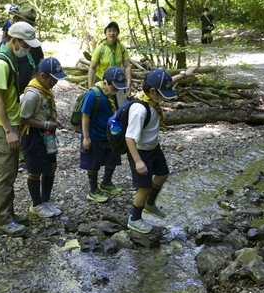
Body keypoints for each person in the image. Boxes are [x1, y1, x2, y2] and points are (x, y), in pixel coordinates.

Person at [0, 22, 42, 237]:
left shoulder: (10, 58)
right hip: (2, 126)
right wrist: (9, 130)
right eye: (25, 45)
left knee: (9, 173)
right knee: (4, 174)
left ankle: (8, 214)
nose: (27, 49)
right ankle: (2, 220)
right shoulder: (1, 63)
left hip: (9, 124)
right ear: (15, 40)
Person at [125, 67, 196, 233]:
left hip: (152, 146)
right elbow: (129, 137)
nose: (165, 97)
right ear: (152, 91)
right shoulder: (140, 110)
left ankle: (149, 204)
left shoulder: (150, 97)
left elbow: (168, 81)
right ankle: (134, 219)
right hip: (140, 151)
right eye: (162, 93)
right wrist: (138, 161)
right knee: (145, 186)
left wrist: (184, 74)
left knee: (163, 172)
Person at [20, 57, 67, 218]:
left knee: (51, 166)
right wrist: (46, 125)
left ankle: (45, 201)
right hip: (34, 136)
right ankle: (36, 204)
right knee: (35, 170)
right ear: (42, 75)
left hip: (47, 136)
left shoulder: (45, 90)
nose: (55, 82)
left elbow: (43, 111)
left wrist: (54, 120)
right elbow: (23, 118)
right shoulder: (32, 94)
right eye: (53, 79)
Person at [80, 66, 128, 202]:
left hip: (111, 134)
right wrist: (86, 137)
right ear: (105, 82)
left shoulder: (117, 93)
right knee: (93, 163)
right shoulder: (93, 94)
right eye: (114, 86)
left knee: (113, 159)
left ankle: (106, 182)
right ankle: (93, 189)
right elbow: (85, 115)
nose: (116, 89)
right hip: (95, 135)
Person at [88, 21, 132, 104]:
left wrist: (129, 82)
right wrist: (90, 86)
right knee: (102, 105)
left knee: (120, 105)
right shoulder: (101, 48)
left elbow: (127, 66)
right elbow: (92, 68)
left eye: (114, 30)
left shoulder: (122, 48)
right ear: (105, 33)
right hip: (102, 81)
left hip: (118, 82)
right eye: (109, 30)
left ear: (118, 33)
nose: (112, 33)